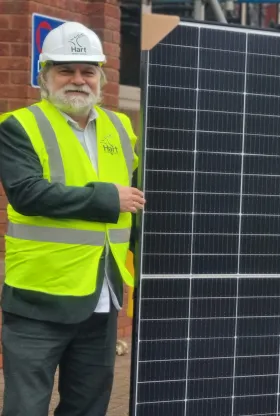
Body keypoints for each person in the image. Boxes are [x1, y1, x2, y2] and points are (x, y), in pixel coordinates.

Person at [0, 22, 145, 415]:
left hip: (102, 297)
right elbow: (27, 193)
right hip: (39, 300)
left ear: (100, 76)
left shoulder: (121, 127)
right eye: (66, 70)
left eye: (88, 71)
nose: (78, 80)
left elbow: (138, 203)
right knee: (25, 407)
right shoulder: (19, 127)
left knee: (88, 406)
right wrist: (107, 198)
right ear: (44, 76)